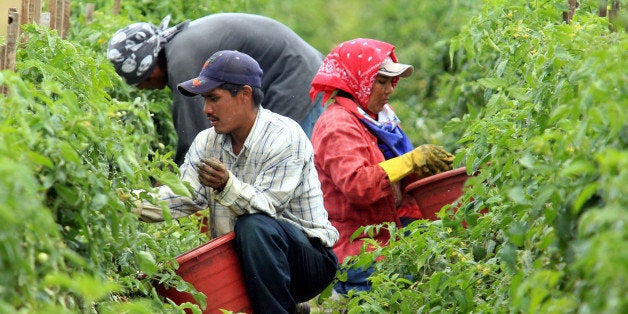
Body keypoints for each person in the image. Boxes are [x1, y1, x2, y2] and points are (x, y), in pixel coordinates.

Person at [133, 50, 339, 313]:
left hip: (306, 261)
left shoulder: (284, 137)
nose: (207, 109)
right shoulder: (207, 142)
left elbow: (269, 209)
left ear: (244, 94)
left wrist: (226, 185)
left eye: (214, 98)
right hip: (245, 258)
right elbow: (184, 196)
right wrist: (128, 203)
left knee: (253, 226)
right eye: (205, 99)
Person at [309, 38, 454, 294]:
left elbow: (393, 171)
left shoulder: (377, 118)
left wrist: (431, 171)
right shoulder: (338, 126)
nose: (389, 90)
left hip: (389, 231)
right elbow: (358, 186)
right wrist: (410, 161)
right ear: (358, 81)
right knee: (426, 273)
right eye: (381, 81)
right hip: (358, 247)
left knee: (448, 248)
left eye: (391, 82)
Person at [107, 13, 325, 166]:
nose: (141, 88)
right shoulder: (182, 47)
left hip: (298, 78)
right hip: (300, 68)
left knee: (281, 160)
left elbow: (194, 140)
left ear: (147, 70)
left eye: (137, 81)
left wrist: (175, 189)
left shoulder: (182, 61)